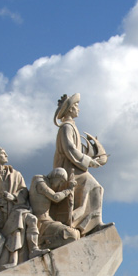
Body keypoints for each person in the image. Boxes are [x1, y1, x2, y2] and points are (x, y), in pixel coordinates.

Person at [53, 92, 108, 236]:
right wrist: (89, 161)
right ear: (70, 109)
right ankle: (87, 224)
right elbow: (70, 149)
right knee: (95, 186)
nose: (79, 109)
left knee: (96, 188)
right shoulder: (66, 127)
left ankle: (93, 223)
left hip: (75, 168)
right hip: (69, 171)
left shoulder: (71, 127)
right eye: (76, 106)